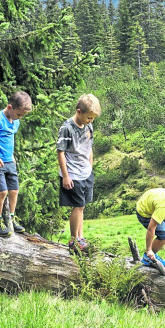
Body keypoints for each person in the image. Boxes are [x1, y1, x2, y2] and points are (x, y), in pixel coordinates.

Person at [0, 91, 33, 238]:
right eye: (19, 114)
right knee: (2, 192)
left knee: (14, 190)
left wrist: (12, 156)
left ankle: (11, 217)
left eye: (22, 115)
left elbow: (9, 140)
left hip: (10, 161)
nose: (20, 118)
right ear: (10, 107)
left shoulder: (15, 120)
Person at [56, 93, 101, 253]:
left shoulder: (89, 126)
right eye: (89, 118)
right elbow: (60, 153)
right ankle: (74, 240)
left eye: (93, 118)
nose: (91, 121)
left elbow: (89, 147)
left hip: (85, 173)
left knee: (82, 207)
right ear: (79, 111)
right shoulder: (66, 128)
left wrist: (90, 166)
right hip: (73, 174)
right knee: (78, 206)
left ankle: (80, 237)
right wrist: (66, 175)